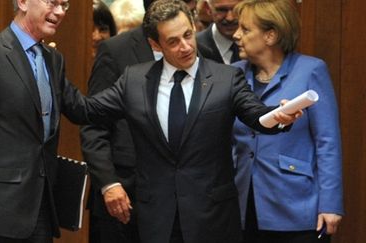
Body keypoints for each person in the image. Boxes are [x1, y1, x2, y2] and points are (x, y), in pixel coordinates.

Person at [81, 0, 301, 242]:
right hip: (154, 212)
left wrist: (278, 117)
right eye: (173, 41)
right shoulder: (133, 75)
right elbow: (90, 113)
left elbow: (256, 114)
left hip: (211, 214)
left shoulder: (222, 74)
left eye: (188, 35)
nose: (185, 47)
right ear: (156, 45)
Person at [0, 0, 91, 242]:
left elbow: (82, 109)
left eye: (64, 5)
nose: (59, 11)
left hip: (43, 207)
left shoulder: (53, 59)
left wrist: (133, 86)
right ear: (23, 2)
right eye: (52, 2)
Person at [80, 0, 197, 242]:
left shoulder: (195, 48)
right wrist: (109, 183)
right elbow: (93, 125)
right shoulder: (115, 50)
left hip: (180, 200)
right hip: (125, 194)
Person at [231, 0, 343, 243]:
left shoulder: (311, 70)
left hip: (296, 203)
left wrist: (331, 204)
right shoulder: (233, 74)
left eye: (246, 29)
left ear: (270, 35)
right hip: (243, 202)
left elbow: (327, 142)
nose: (237, 35)